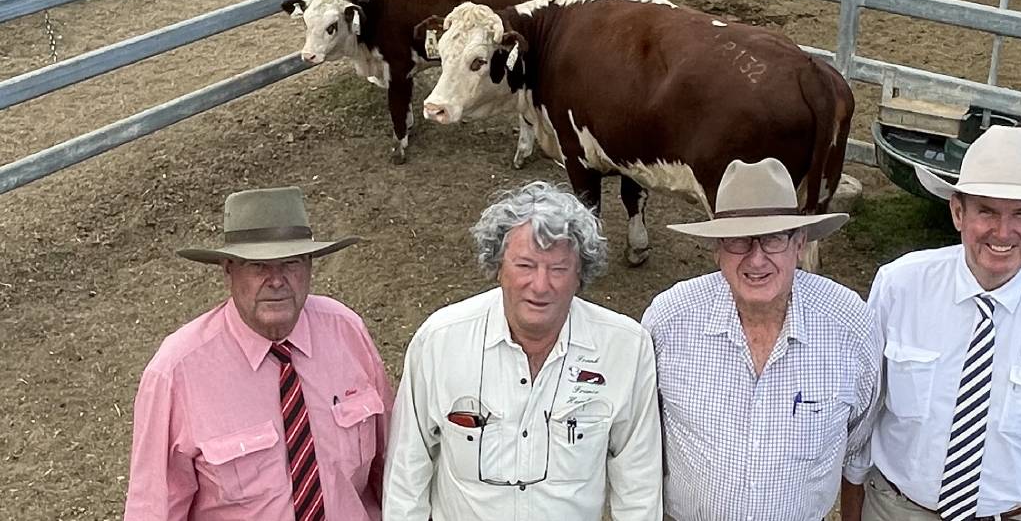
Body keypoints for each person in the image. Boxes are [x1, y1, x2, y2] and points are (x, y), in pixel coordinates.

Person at [853, 125, 1021, 521]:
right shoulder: (899, 286)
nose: (1003, 232)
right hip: (896, 509)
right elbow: (864, 410)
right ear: (958, 212)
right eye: (987, 211)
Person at [382, 181, 662, 521]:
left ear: (580, 274)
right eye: (525, 266)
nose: (541, 285)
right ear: (498, 267)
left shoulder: (625, 348)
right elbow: (406, 471)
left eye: (558, 269)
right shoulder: (440, 341)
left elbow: (639, 483)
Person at [123, 186, 393, 521]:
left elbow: (393, 469)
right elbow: (153, 511)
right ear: (228, 269)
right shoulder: (176, 372)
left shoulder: (347, 331)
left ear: (309, 266)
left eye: (290, 263)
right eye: (258, 265)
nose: (276, 280)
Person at [642, 157, 882, 521]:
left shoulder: (850, 324)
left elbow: (857, 437)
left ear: (799, 243)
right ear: (717, 248)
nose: (756, 260)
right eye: (738, 241)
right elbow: (643, 435)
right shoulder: (669, 320)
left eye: (772, 239)